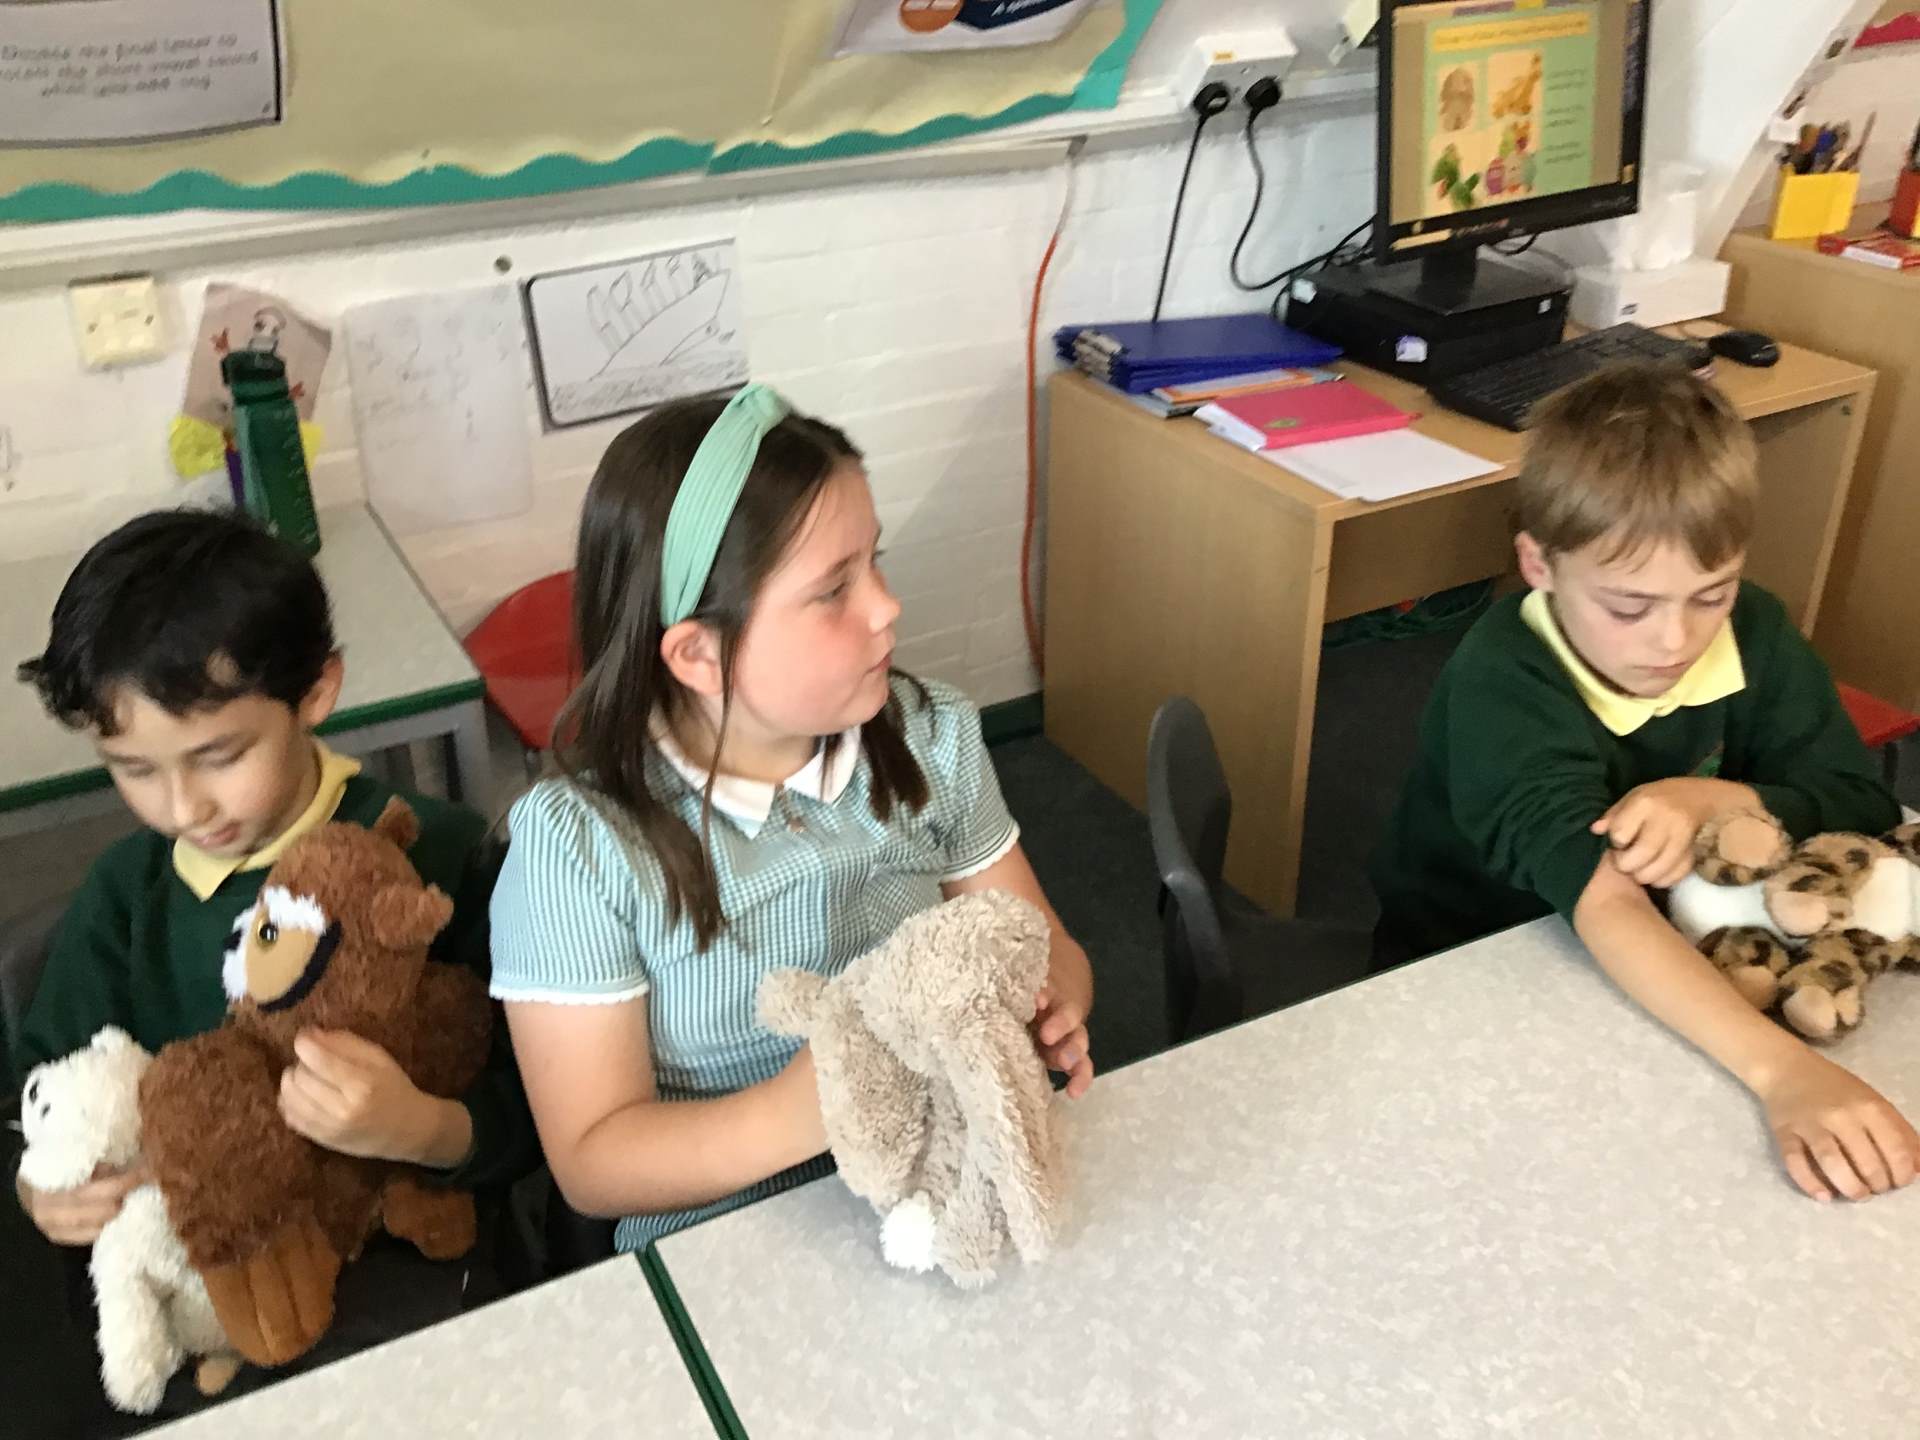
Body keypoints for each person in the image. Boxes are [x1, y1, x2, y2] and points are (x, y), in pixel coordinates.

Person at [488, 384, 1095, 1251]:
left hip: (953, 1180)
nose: (885, 606)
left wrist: (1047, 1006)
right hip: (733, 1236)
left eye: (874, 562)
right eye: (834, 589)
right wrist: (822, 1103)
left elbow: (1044, 942)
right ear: (700, 654)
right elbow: (594, 1161)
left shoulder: (933, 736)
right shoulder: (578, 850)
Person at [11, 508, 535, 1417]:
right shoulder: (124, 899)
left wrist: (423, 1129)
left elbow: (538, 1109)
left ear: (317, 690)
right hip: (195, 1301)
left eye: (221, 756)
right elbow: (35, 1095)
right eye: (133, 769)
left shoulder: (440, 857)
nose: (183, 807)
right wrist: (41, 1188)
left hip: (412, 1281)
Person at [1371, 362, 1914, 1204]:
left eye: (1712, 595)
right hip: (1474, 961)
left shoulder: (1756, 629)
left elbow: (1860, 800)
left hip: (1678, 952)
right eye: (1628, 607)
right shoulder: (1503, 682)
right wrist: (1785, 1075)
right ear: (1539, 563)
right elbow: (1607, 901)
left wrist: (1721, 801)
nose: (1675, 640)